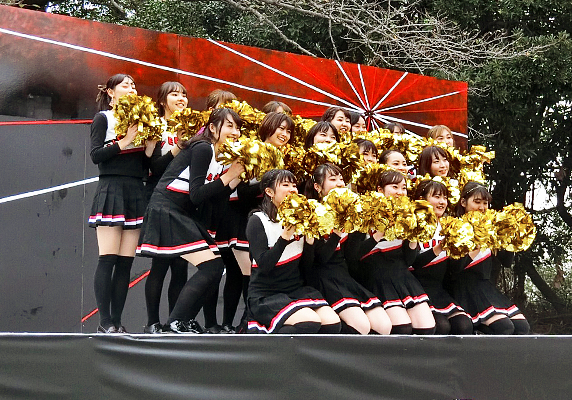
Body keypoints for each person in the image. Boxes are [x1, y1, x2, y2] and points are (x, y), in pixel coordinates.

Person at [137, 108, 245, 333]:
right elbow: (196, 194)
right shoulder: (203, 148)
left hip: (183, 212)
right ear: (212, 128)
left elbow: (214, 196)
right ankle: (174, 321)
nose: (235, 132)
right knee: (209, 266)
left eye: (238, 128)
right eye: (229, 126)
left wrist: (235, 178)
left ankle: (182, 320)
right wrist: (228, 175)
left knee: (215, 267)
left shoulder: (220, 156)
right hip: (167, 208)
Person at [215, 112, 297, 333]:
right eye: (280, 128)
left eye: (288, 131)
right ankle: (237, 323)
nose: (284, 134)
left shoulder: (287, 157)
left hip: (273, 223)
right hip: (246, 220)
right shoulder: (253, 151)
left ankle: (247, 323)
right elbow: (242, 193)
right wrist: (267, 182)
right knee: (244, 274)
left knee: (251, 274)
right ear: (268, 128)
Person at [89, 73, 157, 333]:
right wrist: (126, 140)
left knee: (126, 262)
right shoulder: (104, 118)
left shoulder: (142, 119)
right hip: (111, 188)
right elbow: (96, 155)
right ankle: (104, 322)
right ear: (110, 91)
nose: (131, 88)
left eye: (133, 85)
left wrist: (150, 146)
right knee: (107, 258)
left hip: (135, 190)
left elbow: (146, 164)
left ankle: (117, 322)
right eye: (125, 85)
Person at [246, 169, 341, 334]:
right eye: (285, 185)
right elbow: (264, 265)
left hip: (295, 289)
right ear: (269, 192)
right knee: (309, 322)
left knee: (332, 323)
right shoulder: (258, 220)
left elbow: (306, 266)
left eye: (294, 185)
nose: (292, 189)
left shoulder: (302, 217)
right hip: (267, 293)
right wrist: (285, 237)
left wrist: (310, 242)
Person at [305, 164, 392, 335]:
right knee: (361, 326)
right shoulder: (311, 212)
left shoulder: (350, 210)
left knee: (384, 326)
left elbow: (353, 255)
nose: (339, 183)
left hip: (343, 276)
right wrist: (338, 231)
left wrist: (375, 234)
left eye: (341, 179)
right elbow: (321, 258)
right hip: (322, 277)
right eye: (332, 179)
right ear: (317, 187)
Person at [352, 170, 436, 334]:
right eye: (394, 187)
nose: (400, 192)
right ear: (380, 189)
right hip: (377, 278)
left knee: (427, 327)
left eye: (404, 188)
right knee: (402, 327)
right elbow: (353, 256)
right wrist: (380, 233)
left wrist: (414, 235)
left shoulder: (408, 213)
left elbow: (409, 260)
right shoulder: (365, 212)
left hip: (403, 278)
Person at [449, 182, 530, 335]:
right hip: (465, 289)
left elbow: (507, 262)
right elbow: (454, 269)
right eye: (477, 202)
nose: (482, 207)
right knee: (504, 327)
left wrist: (509, 238)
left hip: (486, 287)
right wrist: (478, 243)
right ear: (463, 202)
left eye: (485, 203)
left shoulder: (491, 226)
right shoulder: (454, 227)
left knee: (522, 327)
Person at [143, 81, 189, 334]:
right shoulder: (156, 126)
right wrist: (178, 146)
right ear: (162, 100)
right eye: (174, 94)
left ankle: (175, 322)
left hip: (184, 201)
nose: (181, 98)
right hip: (160, 199)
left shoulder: (193, 127)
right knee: (160, 264)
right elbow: (155, 168)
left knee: (181, 265)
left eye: (184, 94)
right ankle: (152, 322)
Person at [411, 179, 473, 335]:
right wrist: (440, 247)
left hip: (438, 290)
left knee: (464, 325)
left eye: (445, 198)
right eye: (437, 197)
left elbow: (455, 270)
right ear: (422, 199)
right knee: (442, 326)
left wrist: (470, 249)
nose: (442, 202)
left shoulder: (449, 226)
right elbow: (412, 263)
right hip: (416, 288)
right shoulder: (411, 223)